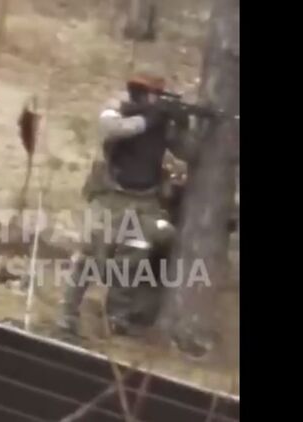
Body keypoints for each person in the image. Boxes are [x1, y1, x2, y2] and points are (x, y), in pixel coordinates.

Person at [56, 71, 195, 339]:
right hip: (110, 196)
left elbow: (190, 153)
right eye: (149, 94)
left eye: (156, 95)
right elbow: (113, 129)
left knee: (134, 256)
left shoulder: (162, 123)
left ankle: (116, 317)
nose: (152, 99)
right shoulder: (117, 108)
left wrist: (181, 125)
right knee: (90, 255)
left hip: (144, 200)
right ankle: (67, 314)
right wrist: (150, 118)